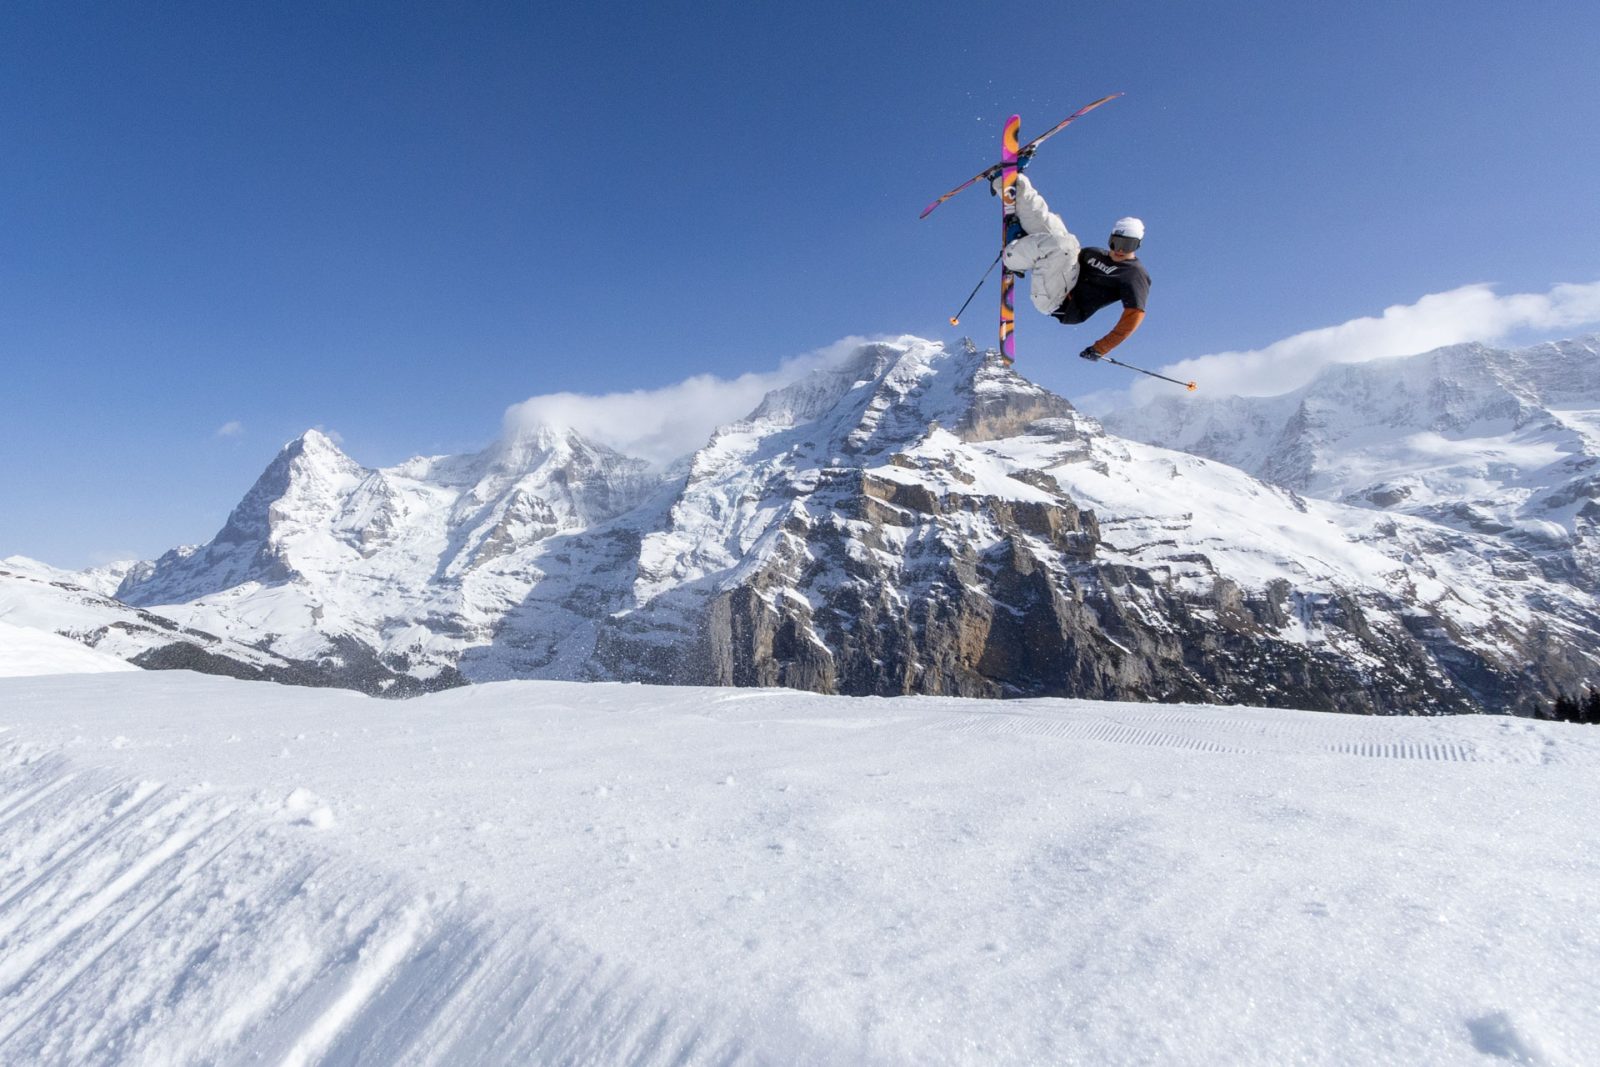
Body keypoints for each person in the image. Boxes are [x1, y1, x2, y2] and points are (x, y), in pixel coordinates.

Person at [992, 172, 1150, 361]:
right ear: (1110, 239)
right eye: (1116, 242)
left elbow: (1134, 315)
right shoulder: (1094, 253)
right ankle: (1010, 182)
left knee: (1066, 245)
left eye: (1128, 246)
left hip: (1060, 304)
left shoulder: (1133, 274)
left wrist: (1101, 347)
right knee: (1053, 227)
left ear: (1137, 246)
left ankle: (1012, 258)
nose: (1120, 250)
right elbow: (1059, 259)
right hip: (1058, 279)